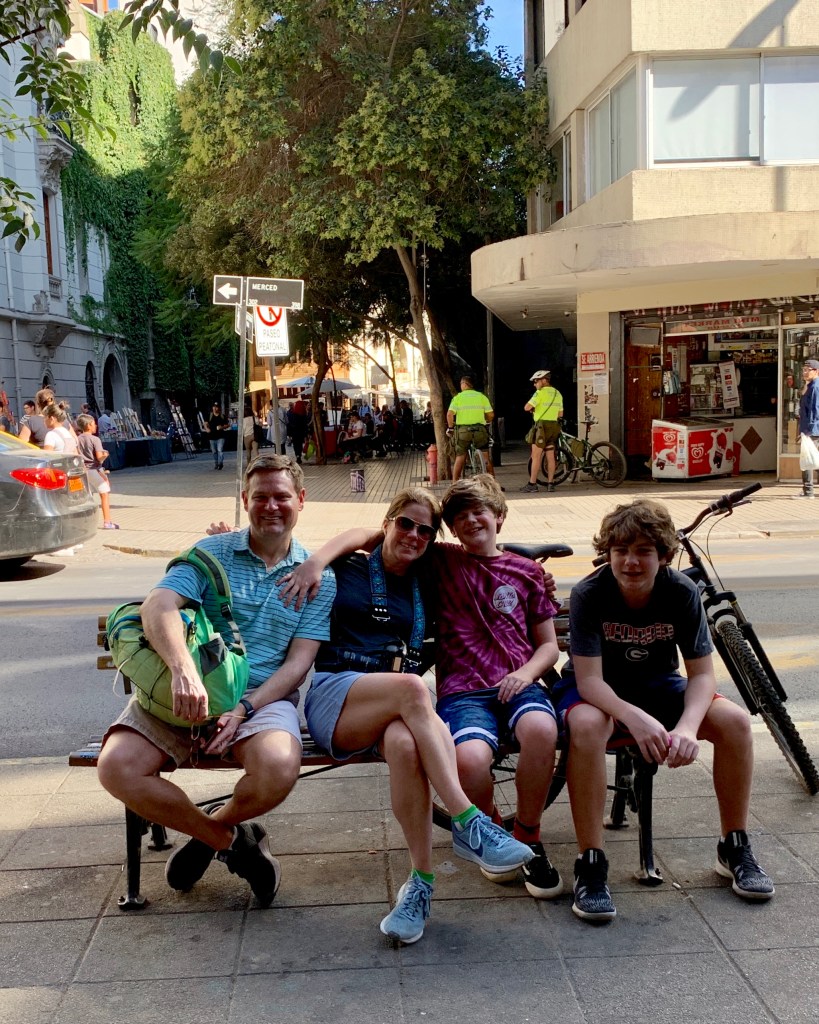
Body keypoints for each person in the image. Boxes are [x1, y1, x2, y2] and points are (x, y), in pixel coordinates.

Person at [286, 488, 535, 944]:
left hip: (397, 707)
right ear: (387, 523)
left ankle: (420, 884)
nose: (414, 535)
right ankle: (469, 820)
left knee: (405, 745)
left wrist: (537, 583)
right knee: (415, 687)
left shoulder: (427, 577)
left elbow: (491, 573)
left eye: (425, 530)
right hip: (338, 697)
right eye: (405, 523)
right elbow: (357, 535)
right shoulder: (349, 567)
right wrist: (316, 560)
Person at [96, 455, 337, 907]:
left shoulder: (317, 577)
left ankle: (207, 833)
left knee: (279, 768)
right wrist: (184, 672)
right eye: (260, 497)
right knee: (116, 767)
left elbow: (298, 664)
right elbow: (157, 605)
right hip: (181, 694)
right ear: (245, 499)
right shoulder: (212, 554)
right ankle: (232, 844)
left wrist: (243, 709)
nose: (271, 506)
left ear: (302, 500)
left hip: (260, 699)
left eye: (281, 496)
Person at [552, 499, 774, 923]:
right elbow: (590, 682)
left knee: (733, 721)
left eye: (643, 551)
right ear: (607, 553)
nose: (630, 562)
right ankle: (591, 862)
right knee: (587, 725)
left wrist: (687, 728)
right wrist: (634, 717)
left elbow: (702, 676)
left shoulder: (680, 591)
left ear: (665, 556)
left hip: (659, 684)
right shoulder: (590, 593)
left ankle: (734, 845)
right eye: (620, 550)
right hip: (598, 690)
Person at [446, 375, 499, 485]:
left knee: (460, 456)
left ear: (464, 384)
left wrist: (451, 428)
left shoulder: (458, 398)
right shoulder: (482, 397)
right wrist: (486, 421)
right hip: (480, 431)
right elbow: (491, 415)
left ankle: (454, 483)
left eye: (461, 384)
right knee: (485, 456)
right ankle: (493, 483)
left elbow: (449, 414)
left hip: (463, 432)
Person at [521, 370, 563, 493]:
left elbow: (527, 407)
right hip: (553, 426)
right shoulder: (557, 393)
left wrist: (535, 409)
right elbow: (560, 414)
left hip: (541, 427)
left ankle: (532, 484)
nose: (534, 384)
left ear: (544, 380)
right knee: (550, 456)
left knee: (536, 456)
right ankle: (551, 484)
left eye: (536, 381)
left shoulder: (539, 393)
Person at [76, 414, 119, 529]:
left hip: (82, 470)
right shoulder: (95, 439)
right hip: (94, 469)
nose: (96, 426)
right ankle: (107, 521)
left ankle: (84, 523)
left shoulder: (77, 439)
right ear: (89, 425)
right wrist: (105, 455)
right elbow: (99, 457)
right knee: (104, 493)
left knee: (86, 496)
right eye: (94, 424)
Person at [794, 358, 819, 499]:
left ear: (816, 371)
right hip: (810, 428)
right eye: (803, 370)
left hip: (813, 429)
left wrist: (808, 430)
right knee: (814, 457)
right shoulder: (810, 385)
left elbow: (815, 410)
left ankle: (808, 491)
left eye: (807, 370)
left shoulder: (815, 387)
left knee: (808, 458)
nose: (804, 372)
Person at [204, 402, 229, 470]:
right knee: (214, 451)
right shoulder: (209, 416)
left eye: (216, 407)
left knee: (220, 450)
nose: (215, 408)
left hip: (221, 436)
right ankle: (216, 463)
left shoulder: (222, 416)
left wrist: (222, 427)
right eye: (214, 407)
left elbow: (227, 425)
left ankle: (220, 463)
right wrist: (207, 429)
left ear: (219, 408)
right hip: (211, 436)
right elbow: (205, 423)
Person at [287, 398, 309, 464]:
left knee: (296, 445)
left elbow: (289, 424)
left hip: (294, 433)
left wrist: (289, 434)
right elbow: (305, 425)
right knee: (300, 444)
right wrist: (306, 434)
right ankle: (299, 455)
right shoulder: (304, 415)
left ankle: (297, 456)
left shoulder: (292, 415)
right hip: (301, 433)